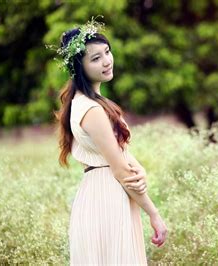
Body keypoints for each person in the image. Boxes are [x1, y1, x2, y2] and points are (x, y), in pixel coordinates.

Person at [52, 17, 167, 264]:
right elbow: (120, 170)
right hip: (106, 201)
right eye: (95, 58)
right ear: (79, 67)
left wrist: (140, 168)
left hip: (105, 195)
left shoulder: (89, 103)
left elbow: (117, 153)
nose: (106, 61)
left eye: (107, 52)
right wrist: (154, 214)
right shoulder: (91, 110)